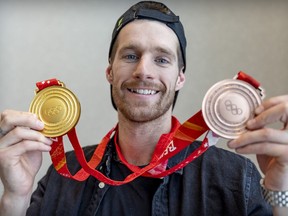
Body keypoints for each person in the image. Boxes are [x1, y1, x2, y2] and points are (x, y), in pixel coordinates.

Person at [0, 1, 287, 215]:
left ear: (180, 78)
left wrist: (280, 189)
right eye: (131, 55)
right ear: (110, 71)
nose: (143, 70)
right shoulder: (63, 177)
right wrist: (15, 197)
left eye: (161, 59)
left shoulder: (235, 178)